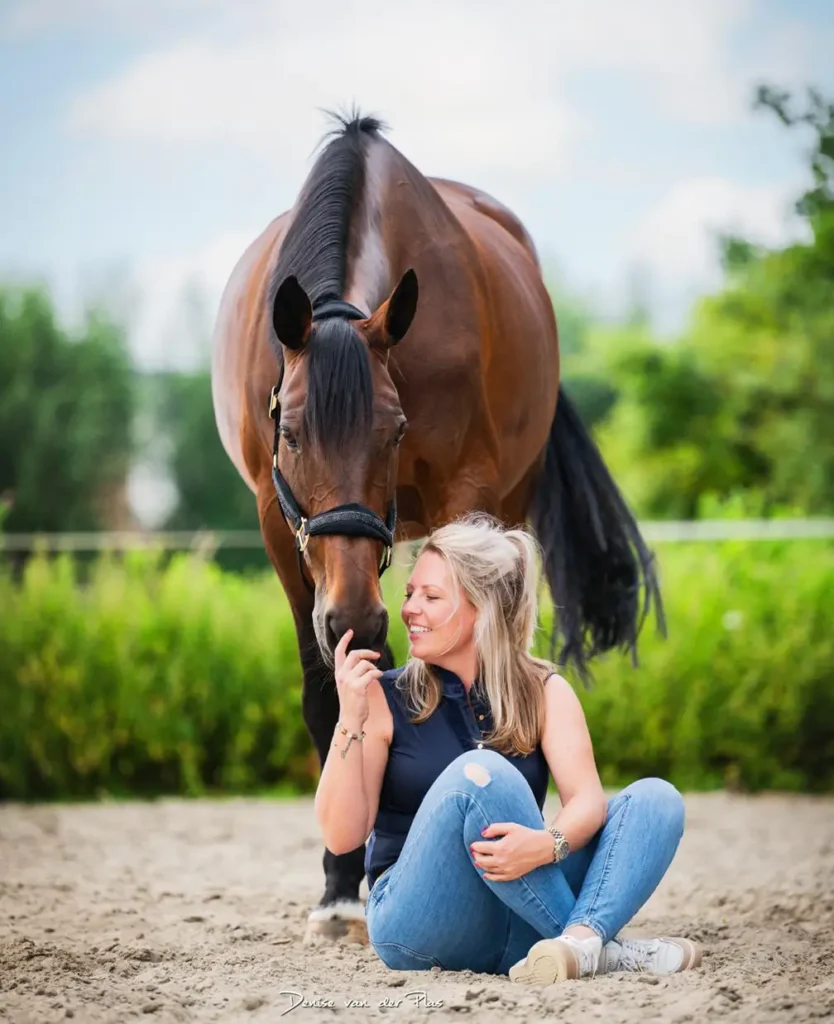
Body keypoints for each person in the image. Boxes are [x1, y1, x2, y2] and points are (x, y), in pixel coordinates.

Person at [314, 514, 701, 982]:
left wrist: (547, 845)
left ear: (483, 609)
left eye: (430, 597)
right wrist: (348, 719)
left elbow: (587, 801)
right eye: (411, 593)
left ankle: (575, 944)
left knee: (657, 800)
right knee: (481, 774)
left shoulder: (543, 690)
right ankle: (602, 949)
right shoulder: (382, 696)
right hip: (418, 926)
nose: (409, 609)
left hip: (520, 920)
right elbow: (342, 837)